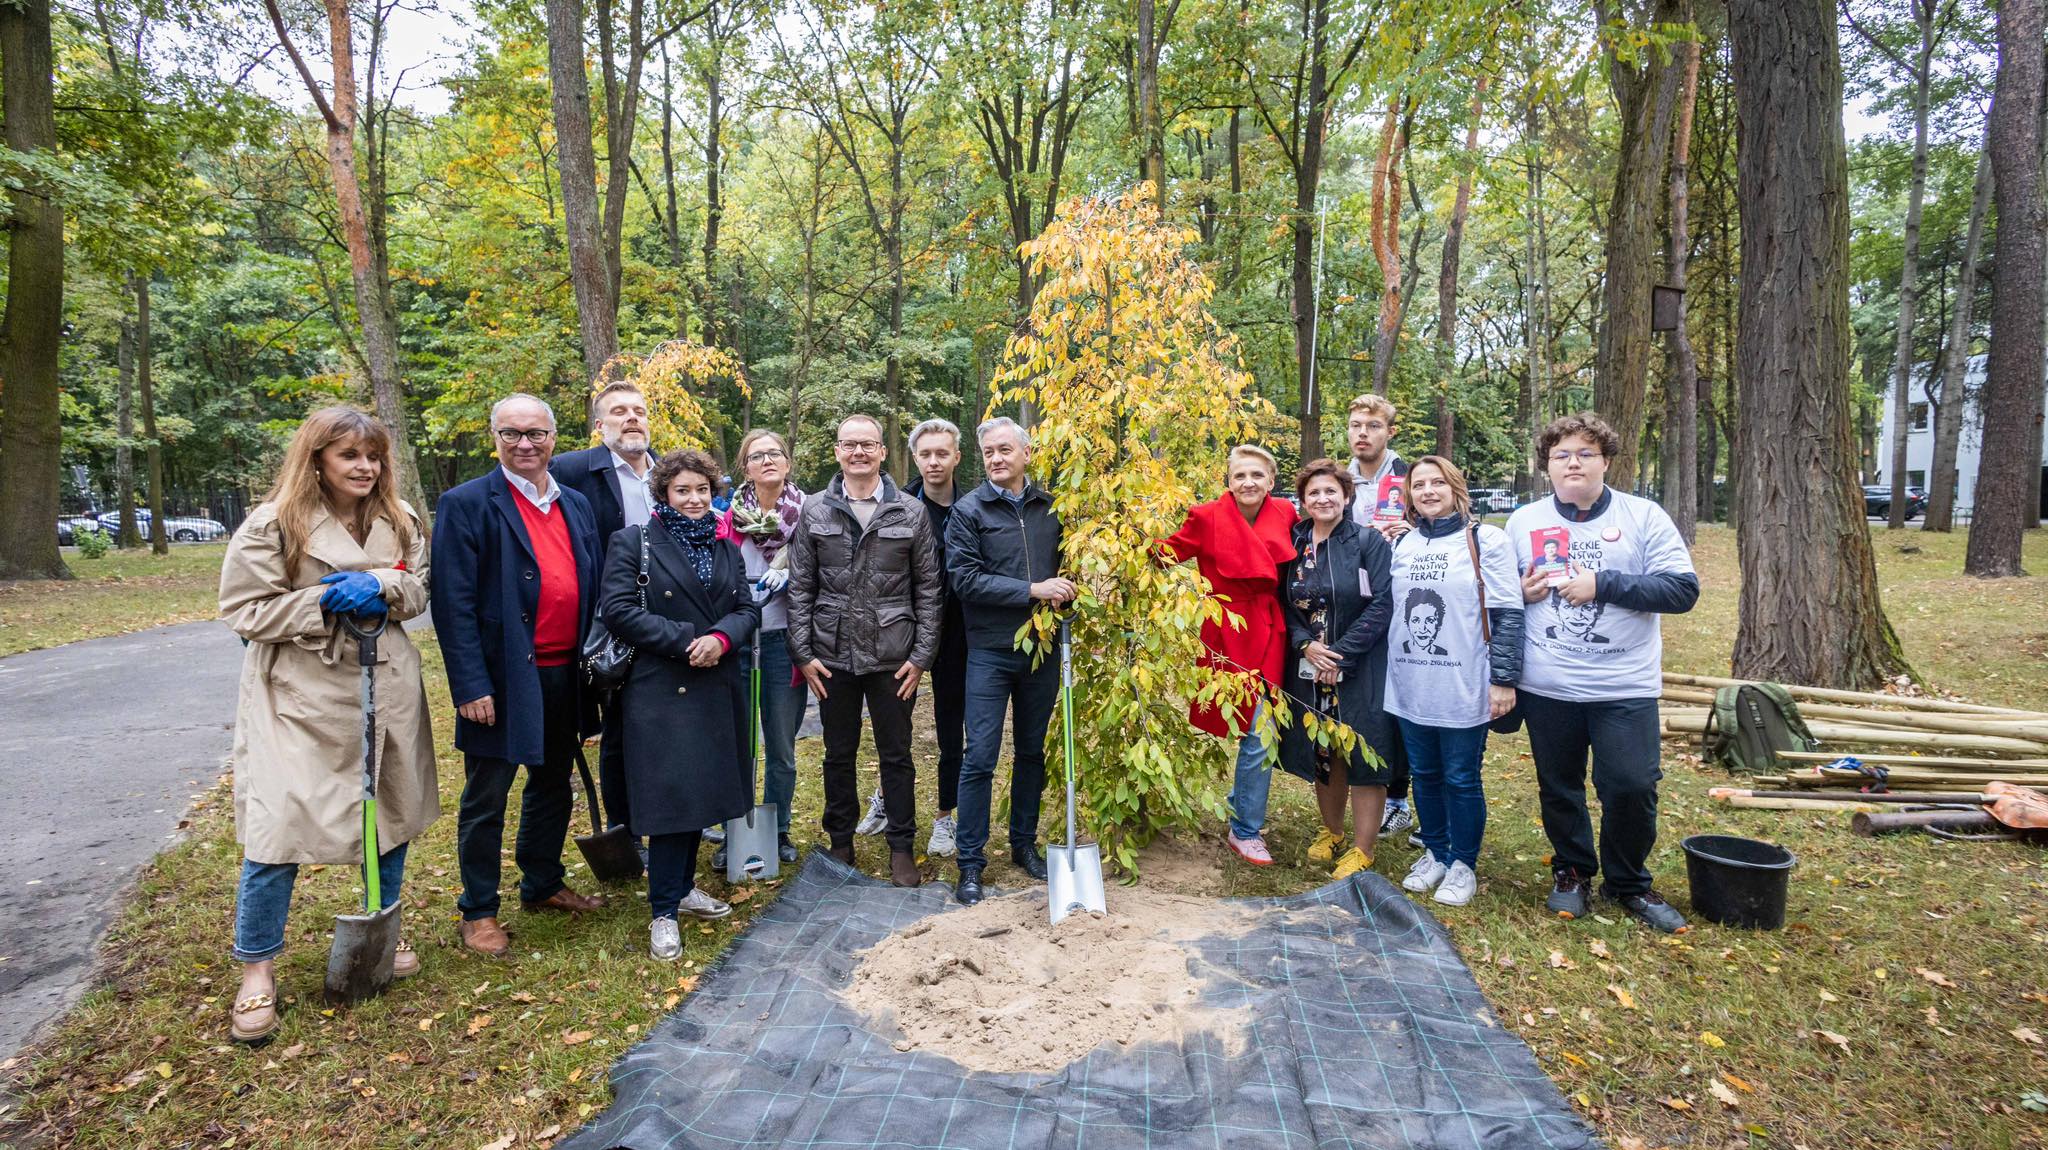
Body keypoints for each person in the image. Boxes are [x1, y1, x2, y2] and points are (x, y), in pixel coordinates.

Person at [219, 407, 438, 1044]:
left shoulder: (400, 520)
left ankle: (380, 931)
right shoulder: (273, 524)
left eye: (373, 457)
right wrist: (321, 599)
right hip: (301, 698)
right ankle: (256, 970)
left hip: (384, 686)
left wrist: (383, 589)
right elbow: (243, 609)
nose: (365, 468)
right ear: (318, 459)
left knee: (390, 814)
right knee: (278, 829)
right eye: (350, 456)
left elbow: (419, 590)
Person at [1507, 413, 1699, 933]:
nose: (1573, 462)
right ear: (1547, 465)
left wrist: (1603, 584)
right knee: (1559, 785)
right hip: (1548, 685)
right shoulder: (1523, 522)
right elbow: (1502, 597)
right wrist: (1520, 593)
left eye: (1585, 453)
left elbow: (1682, 590)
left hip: (1624, 685)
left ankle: (1628, 882)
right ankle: (1571, 871)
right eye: (1561, 454)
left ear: (1606, 462)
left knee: (1631, 786)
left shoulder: (1644, 516)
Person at [431, 393, 606, 959]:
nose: (525, 444)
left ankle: (543, 883)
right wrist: (470, 684)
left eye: (536, 433)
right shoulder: (467, 503)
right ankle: (479, 910)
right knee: (488, 794)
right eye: (512, 434)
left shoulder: (575, 503)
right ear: (495, 438)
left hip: (566, 672)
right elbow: (452, 601)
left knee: (554, 782)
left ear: (555, 438)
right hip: (504, 678)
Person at [599, 449, 760, 958]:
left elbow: (745, 608)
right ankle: (663, 911)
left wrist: (723, 640)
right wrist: (689, 640)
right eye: (682, 491)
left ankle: (684, 887)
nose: (694, 500)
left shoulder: (724, 546)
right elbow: (618, 610)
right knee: (671, 798)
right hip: (661, 684)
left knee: (703, 793)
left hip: (718, 681)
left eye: (702, 491)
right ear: (663, 493)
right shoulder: (634, 542)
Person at [786, 414, 943, 888]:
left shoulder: (909, 512)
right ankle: (840, 841)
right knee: (838, 753)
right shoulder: (815, 511)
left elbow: (930, 590)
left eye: (868, 445)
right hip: (832, 656)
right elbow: (799, 588)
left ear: (882, 452)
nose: (858, 452)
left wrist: (921, 657)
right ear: (837, 451)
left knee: (897, 754)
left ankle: (901, 846)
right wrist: (802, 651)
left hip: (894, 656)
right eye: (849, 444)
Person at [944, 416, 1072, 905]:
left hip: (1041, 650)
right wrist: (1033, 590)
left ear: (1026, 453)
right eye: (989, 452)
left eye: (1005, 450)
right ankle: (971, 863)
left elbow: (1070, 566)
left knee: (1032, 753)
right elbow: (966, 581)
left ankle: (1024, 844)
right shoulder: (969, 511)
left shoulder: (1053, 508)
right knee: (979, 757)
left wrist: (1071, 590)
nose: (997, 459)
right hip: (992, 652)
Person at [1385, 455, 1522, 907]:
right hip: (1410, 681)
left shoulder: (1486, 540)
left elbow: (1507, 614)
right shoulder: (1404, 545)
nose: (1427, 491)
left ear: (1455, 486)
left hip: (1465, 681)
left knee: (1461, 776)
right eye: (1418, 485)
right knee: (1423, 772)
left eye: (1436, 483)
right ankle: (1437, 851)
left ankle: (1463, 863)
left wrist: (1503, 679)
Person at [1158, 445, 1299, 866]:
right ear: (1228, 481)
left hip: (1271, 627)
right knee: (1246, 726)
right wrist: (1125, 533)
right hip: (1225, 630)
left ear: (1271, 481)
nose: (1248, 483)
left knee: (1262, 730)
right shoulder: (1206, 516)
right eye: (1240, 476)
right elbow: (1166, 554)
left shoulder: (1287, 512)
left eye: (1257, 475)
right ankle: (1245, 814)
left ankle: (1244, 828)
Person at [1275, 459, 1392, 879]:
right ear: (1303, 501)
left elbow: (1382, 604)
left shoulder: (1367, 542)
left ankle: (1363, 847)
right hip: (1309, 665)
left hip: (1358, 665)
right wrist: (1305, 645)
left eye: (1331, 492)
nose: (1323, 499)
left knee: (1362, 749)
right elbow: (1283, 603)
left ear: (1346, 496)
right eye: (1314, 493)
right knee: (1325, 749)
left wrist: (1339, 654)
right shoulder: (1293, 543)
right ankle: (1332, 832)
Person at [549, 380, 656, 841]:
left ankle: (672, 816)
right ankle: (624, 827)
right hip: (609, 619)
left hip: (669, 616)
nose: (631, 418)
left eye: (638, 410)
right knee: (620, 729)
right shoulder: (571, 471)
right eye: (618, 412)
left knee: (667, 724)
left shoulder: (667, 472)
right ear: (599, 425)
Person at [870, 417, 969, 860]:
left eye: (942, 453)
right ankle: (886, 801)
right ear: (915, 458)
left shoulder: (973, 506)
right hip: (903, 632)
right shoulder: (896, 505)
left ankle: (945, 818)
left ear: (956, 457)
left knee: (951, 730)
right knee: (895, 726)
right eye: (925, 454)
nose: (934, 462)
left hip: (958, 636)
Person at [719, 428, 807, 865]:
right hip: (736, 639)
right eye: (757, 456)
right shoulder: (725, 515)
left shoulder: (809, 512)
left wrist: (795, 575)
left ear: (787, 462)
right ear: (746, 467)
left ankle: (779, 828)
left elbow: (826, 567)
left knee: (781, 745)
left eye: (775, 453)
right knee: (733, 741)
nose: (767, 461)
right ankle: (731, 828)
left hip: (784, 638)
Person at [1342, 393, 1416, 840]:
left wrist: (1414, 530)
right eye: (1355, 425)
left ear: (1389, 431)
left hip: (1408, 602)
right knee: (1369, 701)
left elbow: (1447, 523)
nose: (1362, 433)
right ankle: (1380, 790)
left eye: (1372, 426)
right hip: (1355, 605)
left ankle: (1399, 800)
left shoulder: (1413, 479)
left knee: (1404, 701)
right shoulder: (1338, 480)